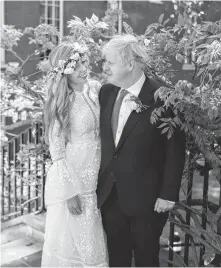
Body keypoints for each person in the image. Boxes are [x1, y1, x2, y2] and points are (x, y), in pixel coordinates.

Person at [97, 34, 186, 267]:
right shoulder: (106, 92)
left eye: (109, 62)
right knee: (117, 258)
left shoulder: (165, 98)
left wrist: (168, 194)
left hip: (148, 199)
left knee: (147, 258)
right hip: (110, 194)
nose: (104, 68)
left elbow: (175, 150)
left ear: (129, 63)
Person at [41, 42, 108, 267]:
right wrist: (69, 192)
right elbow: (57, 151)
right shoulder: (61, 101)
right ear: (64, 70)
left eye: (85, 62)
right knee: (75, 241)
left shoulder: (96, 88)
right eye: (76, 65)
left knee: (97, 237)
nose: (83, 69)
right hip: (75, 180)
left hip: (100, 174)